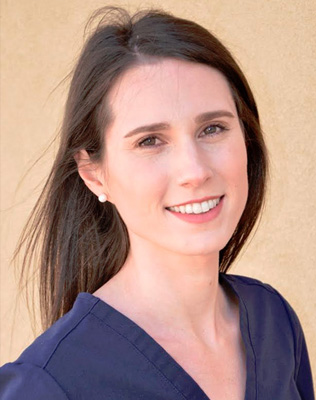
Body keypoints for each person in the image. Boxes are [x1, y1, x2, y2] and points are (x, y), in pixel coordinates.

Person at [0, 6, 314, 400]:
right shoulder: (47, 384)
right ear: (94, 173)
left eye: (212, 129)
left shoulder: (275, 323)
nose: (194, 171)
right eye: (150, 140)